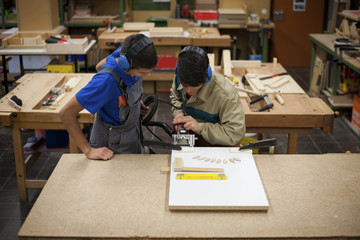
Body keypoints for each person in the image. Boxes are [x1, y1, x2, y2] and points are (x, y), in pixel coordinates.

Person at [59, 34, 158, 160]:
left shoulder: (128, 52)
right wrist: (88, 150)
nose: (147, 75)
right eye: (143, 73)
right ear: (125, 64)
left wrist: (133, 104)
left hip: (132, 137)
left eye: (150, 71)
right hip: (111, 148)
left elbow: (99, 66)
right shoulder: (105, 81)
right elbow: (65, 113)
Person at [169, 46, 245, 146]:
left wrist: (199, 127)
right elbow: (175, 96)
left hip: (220, 146)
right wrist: (179, 113)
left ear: (206, 78)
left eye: (194, 86)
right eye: (185, 85)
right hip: (193, 138)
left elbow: (234, 134)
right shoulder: (180, 76)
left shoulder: (226, 95)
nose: (188, 90)